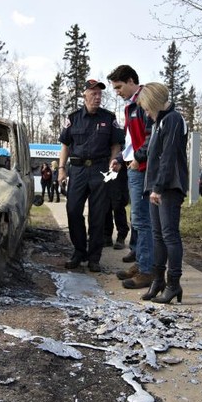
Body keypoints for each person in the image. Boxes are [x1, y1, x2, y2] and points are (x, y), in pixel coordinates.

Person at [58, 79, 123, 272]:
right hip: (77, 170)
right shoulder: (73, 118)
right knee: (73, 210)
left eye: (100, 94)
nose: (97, 97)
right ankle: (79, 251)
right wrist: (61, 169)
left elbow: (116, 145)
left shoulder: (109, 118)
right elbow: (65, 145)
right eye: (93, 93)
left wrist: (113, 165)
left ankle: (94, 257)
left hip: (100, 170)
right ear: (84, 95)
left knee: (98, 214)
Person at [137, 82, 189, 304]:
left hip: (169, 185)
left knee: (170, 235)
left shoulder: (173, 119)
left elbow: (168, 156)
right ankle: (157, 281)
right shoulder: (159, 122)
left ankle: (173, 284)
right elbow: (152, 155)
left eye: (147, 108)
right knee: (157, 235)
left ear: (154, 102)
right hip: (156, 186)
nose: (146, 113)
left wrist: (158, 187)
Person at [108, 65, 154, 290]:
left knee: (143, 220)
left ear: (130, 81)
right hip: (133, 165)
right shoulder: (129, 107)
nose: (117, 92)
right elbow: (129, 139)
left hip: (143, 168)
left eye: (119, 87)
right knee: (138, 219)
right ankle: (142, 262)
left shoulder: (146, 101)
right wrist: (119, 158)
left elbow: (151, 136)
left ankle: (147, 271)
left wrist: (138, 157)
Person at [103, 161, 130, 249]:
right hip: (104, 168)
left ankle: (121, 236)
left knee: (118, 204)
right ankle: (107, 235)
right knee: (105, 204)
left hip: (118, 168)